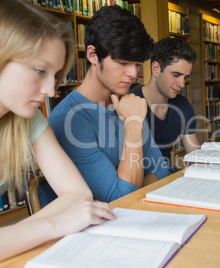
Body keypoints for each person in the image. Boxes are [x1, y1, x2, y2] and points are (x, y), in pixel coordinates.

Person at [0, 0, 115, 261]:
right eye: (40, 70)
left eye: (55, 76)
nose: (51, 91)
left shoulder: (25, 120)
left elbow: (78, 194)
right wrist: (53, 225)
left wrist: (14, 237)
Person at [43, 5, 169, 205]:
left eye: (137, 64)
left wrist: (132, 186)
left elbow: (161, 168)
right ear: (93, 55)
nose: (133, 74)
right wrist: (134, 123)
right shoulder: (68, 120)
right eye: (122, 62)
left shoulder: (130, 103)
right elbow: (121, 198)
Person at [130, 37, 200, 168]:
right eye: (176, 75)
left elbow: (195, 158)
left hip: (166, 177)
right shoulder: (128, 103)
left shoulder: (182, 104)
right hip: (138, 181)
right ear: (156, 69)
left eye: (185, 77)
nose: (182, 84)